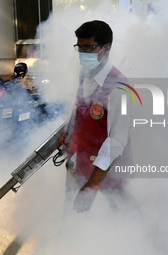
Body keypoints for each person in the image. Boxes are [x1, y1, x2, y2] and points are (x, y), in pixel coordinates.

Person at [58, 20, 136, 214]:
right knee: (71, 210)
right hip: (80, 157)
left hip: (108, 167)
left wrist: (92, 186)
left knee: (123, 212)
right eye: (80, 47)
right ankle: (69, 238)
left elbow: (117, 140)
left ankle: (136, 239)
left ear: (106, 48)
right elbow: (80, 105)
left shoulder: (119, 86)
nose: (83, 54)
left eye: (89, 48)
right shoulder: (85, 73)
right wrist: (68, 129)